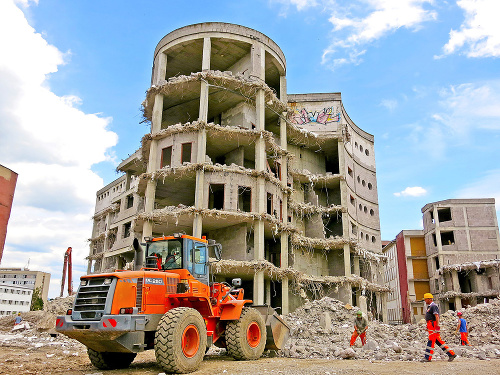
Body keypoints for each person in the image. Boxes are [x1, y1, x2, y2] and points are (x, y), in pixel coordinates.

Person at [422, 293, 456, 362]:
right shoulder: (429, 307)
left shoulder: (434, 306)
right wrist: (427, 326)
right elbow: (430, 317)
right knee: (438, 341)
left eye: (425, 299)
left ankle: (427, 357)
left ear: (429, 299)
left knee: (431, 341)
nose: (425, 301)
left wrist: (437, 327)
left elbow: (437, 316)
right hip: (430, 325)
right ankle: (451, 354)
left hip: (433, 325)